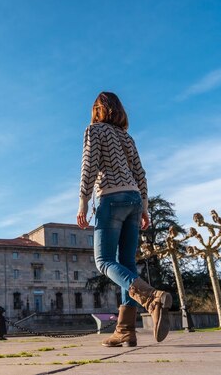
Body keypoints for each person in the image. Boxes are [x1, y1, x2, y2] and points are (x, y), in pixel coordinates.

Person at [77, 91, 172, 347]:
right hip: (132, 199)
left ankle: (151, 298)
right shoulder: (126, 137)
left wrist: (83, 202)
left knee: (104, 261)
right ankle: (125, 330)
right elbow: (141, 173)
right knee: (127, 264)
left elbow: (89, 165)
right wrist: (144, 208)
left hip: (111, 197)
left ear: (98, 109)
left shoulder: (94, 130)